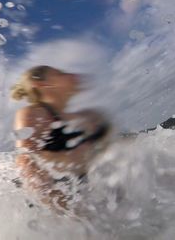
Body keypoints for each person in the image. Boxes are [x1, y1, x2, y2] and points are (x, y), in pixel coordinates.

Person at [10, 65, 111, 213]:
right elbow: (26, 162)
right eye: (60, 73)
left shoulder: (90, 117)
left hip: (86, 197)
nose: (71, 74)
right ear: (40, 84)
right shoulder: (35, 114)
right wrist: (72, 215)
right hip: (47, 210)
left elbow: (118, 153)